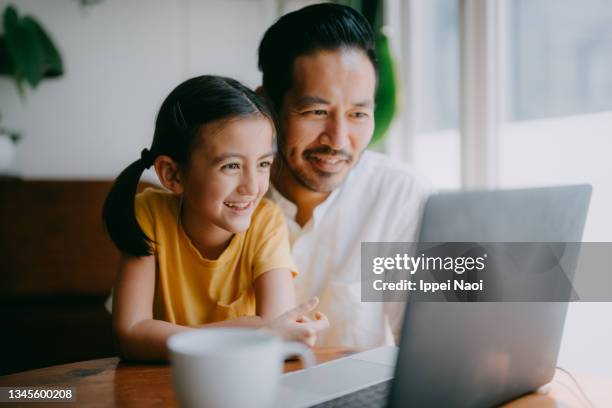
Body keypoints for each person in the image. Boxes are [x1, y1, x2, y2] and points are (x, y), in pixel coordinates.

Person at [103, 75, 328, 361]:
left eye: (263, 164)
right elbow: (130, 335)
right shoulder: (149, 214)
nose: (253, 186)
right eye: (231, 165)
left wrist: (260, 333)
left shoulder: (266, 222)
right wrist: (252, 332)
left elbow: (277, 331)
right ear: (172, 174)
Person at [258, 4, 430, 347]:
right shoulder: (221, 194)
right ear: (267, 108)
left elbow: (430, 345)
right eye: (316, 111)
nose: (337, 140)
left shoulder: (398, 192)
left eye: (357, 114)